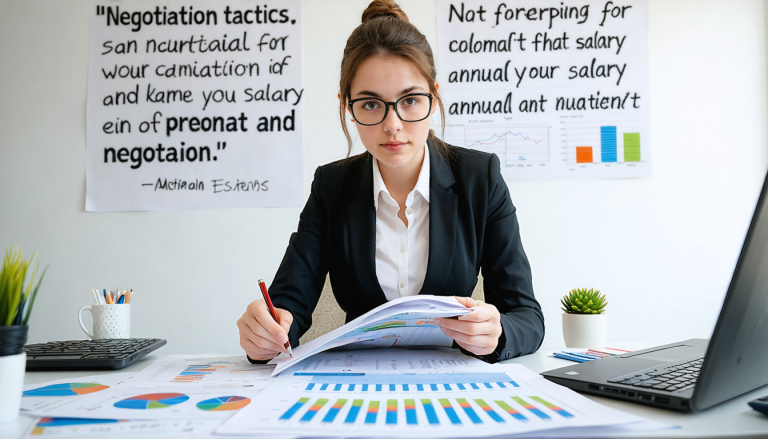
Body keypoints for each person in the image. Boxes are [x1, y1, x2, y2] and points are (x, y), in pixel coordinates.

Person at [237, 0, 544, 364]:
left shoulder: (480, 178)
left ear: (434, 95)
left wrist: (498, 333)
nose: (392, 124)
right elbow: (288, 305)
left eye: (410, 100)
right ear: (346, 105)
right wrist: (268, 332)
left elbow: (526, 317)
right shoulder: (330, 186)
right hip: (359, 382)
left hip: (453, 381)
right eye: (370, 104)